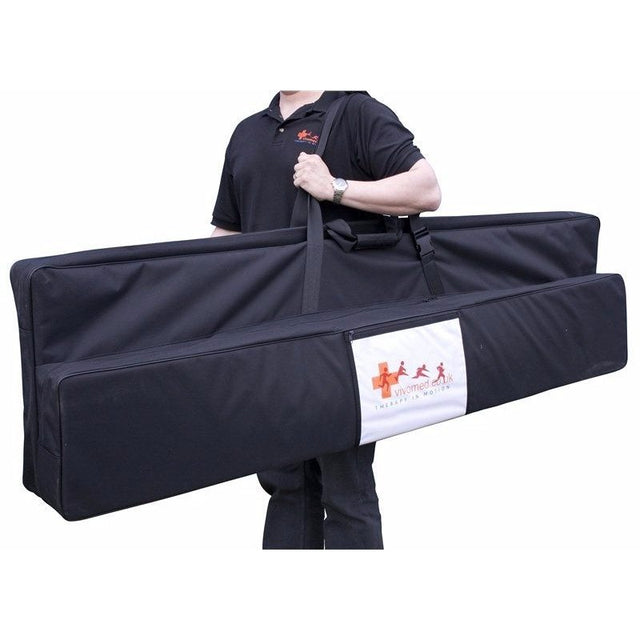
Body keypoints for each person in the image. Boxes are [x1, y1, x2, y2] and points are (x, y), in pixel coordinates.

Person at [210, 90, 441, 549]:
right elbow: (227, 233)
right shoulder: (248, 131)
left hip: (337, 338)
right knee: (285, 484)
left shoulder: (357, 112)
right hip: (265, 337)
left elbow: (426, 190)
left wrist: (335, 187)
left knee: (345, 485)